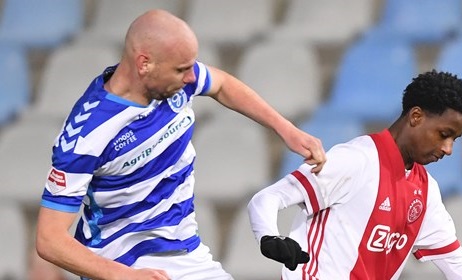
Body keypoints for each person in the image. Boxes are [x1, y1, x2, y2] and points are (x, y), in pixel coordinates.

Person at [35, 9, 326, 280]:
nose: (191, 77)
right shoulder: (87, 134)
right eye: (181, 70)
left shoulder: (174, 81)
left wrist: (285, 129)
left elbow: (222, 85)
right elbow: (49, 239)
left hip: (186, 251)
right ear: (144, 63)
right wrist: (125, 276)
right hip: (121, 261)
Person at [248, 70, 462, 279]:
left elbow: (457, 265)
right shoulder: (355, 160)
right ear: (416, 116)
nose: (448, 149)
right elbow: (267, 199)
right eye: (444, 134)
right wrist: (270, 237)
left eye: (455, 139)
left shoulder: (425, 190)